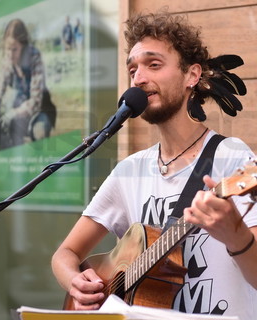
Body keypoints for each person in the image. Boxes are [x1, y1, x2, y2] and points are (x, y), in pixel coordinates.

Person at [51, 11, 257, 320]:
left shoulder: (232, 158)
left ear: (192, 75)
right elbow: (65, 255)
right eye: (133, 69)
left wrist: (236, 234)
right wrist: (76, 283)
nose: (139, 77)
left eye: (154, 64)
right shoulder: (128, 171)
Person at [0, 18, 56, 149]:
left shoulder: (34, 56)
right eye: (7, 49)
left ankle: (41, 165)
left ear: (23, 46)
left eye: (14, 49)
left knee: (39, 131)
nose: (10, 54)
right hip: (19, 110)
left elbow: (36, 100)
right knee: (5, 132)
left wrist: (12, 113)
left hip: (41, 110)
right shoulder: (7, 61)